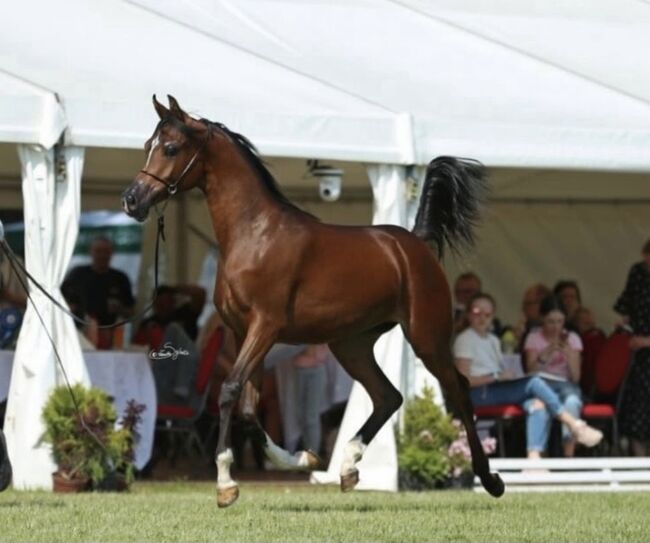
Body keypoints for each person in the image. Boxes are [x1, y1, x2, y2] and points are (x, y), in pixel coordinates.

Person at [454, 292, 603, 459]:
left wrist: (505, 376)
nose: (482, 318)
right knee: (534, 381)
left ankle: (534, 457)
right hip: (478, 393)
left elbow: (576, 377)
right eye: (476, 312)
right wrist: (496, 377)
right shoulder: (465, 339)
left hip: (492, 389)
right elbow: (463, 381)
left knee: (537, 404)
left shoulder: (492, 340)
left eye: (487, 314)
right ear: (468, 314)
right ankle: (574, 424)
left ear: (493, 316)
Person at [524, 295, 585, 457]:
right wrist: (547, 352)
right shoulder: (533, 338)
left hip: (566, 385)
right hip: (541, 385)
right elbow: (529, 372)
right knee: (539, 407)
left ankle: (568, 456)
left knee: (572, 402)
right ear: (542, 319)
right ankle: (539, 457)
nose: (556, 327)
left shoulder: (572, 339)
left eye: (560, 321)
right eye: (551, 321)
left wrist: (570, 356)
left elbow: (576, 377)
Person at [62, 236, 135, 348]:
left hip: (110, 337)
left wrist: (119, 308)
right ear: (90, 252)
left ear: (111, 253)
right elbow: (60, 300)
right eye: (98, 251)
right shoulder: (77, 274)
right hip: (78, 335)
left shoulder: (120, 278)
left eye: (106, 252)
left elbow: (131, 312)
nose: (102, 255)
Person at [614, 239, 650, 457]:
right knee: (637, 408)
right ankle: (640, 460)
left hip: (643, 344)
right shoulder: (637, 272)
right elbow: (628, 303)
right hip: (639, 358)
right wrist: (624, 321)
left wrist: (646, 341)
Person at [292, 344, 329, 454]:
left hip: (316, 369)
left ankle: (313, 454)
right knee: (301, 415)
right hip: (299, 369)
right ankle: (308, 452)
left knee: (311, 416)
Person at [513, 283, 551, 352]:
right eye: (524, 304)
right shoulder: (525, 327)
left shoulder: (553, 329)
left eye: (528, 303)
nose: (523, 308)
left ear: (541, 305)